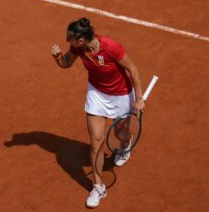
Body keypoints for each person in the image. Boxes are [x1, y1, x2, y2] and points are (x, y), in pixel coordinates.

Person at [51, 18, 145, 208]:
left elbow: (133, 69)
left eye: (69, 38)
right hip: (97, 94)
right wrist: (58, 56)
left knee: (120, 133)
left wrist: (139, 98)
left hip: (120, 95)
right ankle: (98, 186)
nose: (66, 41)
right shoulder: (78, 48)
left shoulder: (112, 47)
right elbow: (66, 63)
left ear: (81, 40)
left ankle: (125, 144)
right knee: (96, 141)